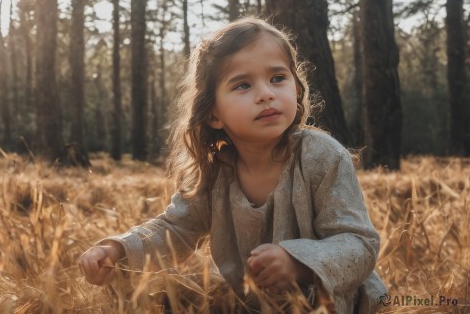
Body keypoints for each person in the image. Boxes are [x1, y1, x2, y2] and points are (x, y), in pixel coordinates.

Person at [79, 17, 386, 313]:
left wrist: (298, 263)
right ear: (214, 114)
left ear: (296, 87)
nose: (266, 94)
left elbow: (359, 243)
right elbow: (175, 229)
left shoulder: (321, 156)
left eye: (278, 78)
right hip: (256, 306)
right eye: (242, 85)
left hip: (334, 305)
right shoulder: (216, 172)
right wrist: (118, 250)